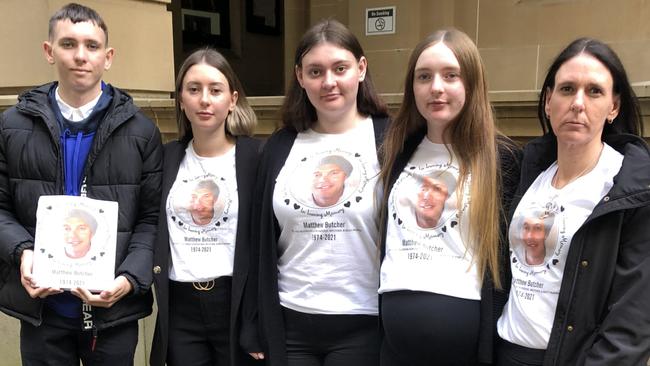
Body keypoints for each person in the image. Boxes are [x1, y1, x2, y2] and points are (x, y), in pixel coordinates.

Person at [0, 2, 163, 365]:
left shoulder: (141, 132)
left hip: (114, 314)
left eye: (91, 46)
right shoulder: (12, 126)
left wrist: (129, 279)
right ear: (49, 51)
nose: (80, 56)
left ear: (108, 57)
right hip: (43, 309)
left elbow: (151, 219)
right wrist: (23, 253)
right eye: (68, 44)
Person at [495, 38, 650, 365]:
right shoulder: (529, 171)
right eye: (567, 89)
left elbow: (632, 321)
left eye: (594, 91)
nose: (578, 103)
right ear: (549, 101)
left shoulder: (631, 190)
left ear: (614, 107)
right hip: (506, 352)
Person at [249, 19, 389, 366]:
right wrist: (255, 322)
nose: (328, 82)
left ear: (361, 68)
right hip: (290, 321)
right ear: (300, 77)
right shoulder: (280, 146)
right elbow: (257, 240)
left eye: (339, 68)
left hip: (364, 321)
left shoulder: (391, 140)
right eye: (315, 71)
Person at [378, 28, 521, 365]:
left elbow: (508, 264)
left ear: (471, 83)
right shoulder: (396, 150)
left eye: (451, 75)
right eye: (424, 76)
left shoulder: (501, 159)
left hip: (464, 343)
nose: (436, 88)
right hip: (394, 342)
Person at [150, 47, 262, 366]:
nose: (204, 100)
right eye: (194, 89)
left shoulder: (257, 158)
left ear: (233, 99)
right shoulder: (165, 158)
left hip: (235, 303)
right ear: (181, 100)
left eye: (215, 90)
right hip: (180, 306)